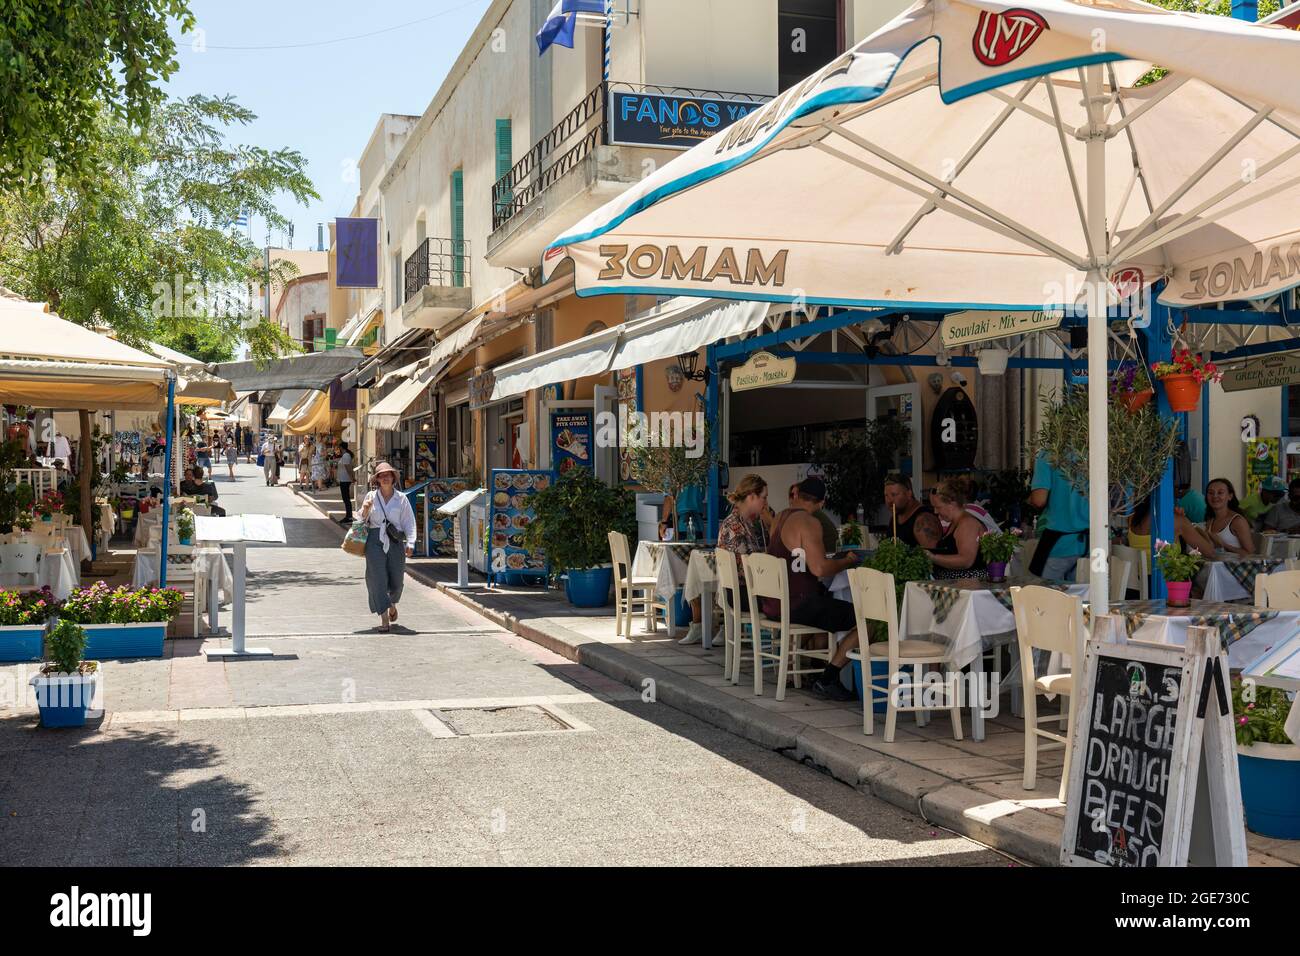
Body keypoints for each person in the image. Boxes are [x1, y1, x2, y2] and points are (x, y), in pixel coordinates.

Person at [764, 476, 864, 700]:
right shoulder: (809, 522)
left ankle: (813, 668)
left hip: (774, 603)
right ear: (822, 503)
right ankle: (828, 679)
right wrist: (847, 561)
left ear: (796, 494)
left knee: (828, 605)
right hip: (798, 603)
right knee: (867, 619)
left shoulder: (779, 517)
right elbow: (820, 568)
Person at [679, 474, 768, 645]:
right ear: (751, 497)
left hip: (737, 592)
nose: (765, 502)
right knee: (788, 601)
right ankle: (782, 651)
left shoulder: (745, 522)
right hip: (741, 593)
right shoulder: (735, 525)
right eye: (763, 497)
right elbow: (747, 568)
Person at [360, 462, 416, 632]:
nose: (385, 478)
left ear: (393, 478)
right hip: (374, 540)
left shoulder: (401, 498)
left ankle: (392, 604)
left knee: (397, 581)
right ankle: (384, 617)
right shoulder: (371, 496)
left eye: (388, 475)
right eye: (381, 476)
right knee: (377, 579)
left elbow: (409, 522)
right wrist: (364, 510)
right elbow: (360, 520)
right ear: (377, 479)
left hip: (395, 540)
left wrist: (411, 542)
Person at [1028, 450, 1090, 581]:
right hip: (1094, 545)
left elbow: (1039, 500)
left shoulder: (1048, 453)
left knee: (1046, 597)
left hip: (1060, 544)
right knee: (1087, 597)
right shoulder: (1098, 449)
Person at [925, 479, 987, 580]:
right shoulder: (956, 522)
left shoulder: (967, 524)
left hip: (968, 587)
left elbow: (966, 560)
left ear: (952, 504)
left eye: (938, 507)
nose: (935, 511)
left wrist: (933, 557)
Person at [1126, 496, 1215, 559]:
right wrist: (1196, 528)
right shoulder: (1177, 520)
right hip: (1166, 582)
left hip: (1138, 582)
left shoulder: (1131, 518)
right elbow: (1209, 552)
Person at [883, 474, 939, 547]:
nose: (889, 500)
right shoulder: (896, 516)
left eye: (894, 495)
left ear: (909, 494)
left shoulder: (924, 520)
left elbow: (932, 555)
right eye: (886, 495)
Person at [1204, 477, 1254, 556]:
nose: (1215, 496)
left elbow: (1250, 554)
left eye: (1220, 493)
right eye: (1210, 493)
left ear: (1230, 496)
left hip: (1233, 567)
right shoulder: (1210, 521)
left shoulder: (1237, 521)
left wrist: (1223, 545)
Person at [788, 481, 838, 554]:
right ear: (821, 503)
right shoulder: (813, 515)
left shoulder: (810, 518)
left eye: (795, 495)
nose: (793, 498)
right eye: (792, 495)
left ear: (798, 497)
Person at [336, 442, 355, 525]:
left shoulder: (346, 455)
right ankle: (348, 515)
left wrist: (352, 478)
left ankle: (349, 516)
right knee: (345, 498)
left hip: (345, 480)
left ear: (341, 447)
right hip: (343, 479)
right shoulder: (344, 456)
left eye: (339, 447)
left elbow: (348, 468)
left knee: (346, 498)